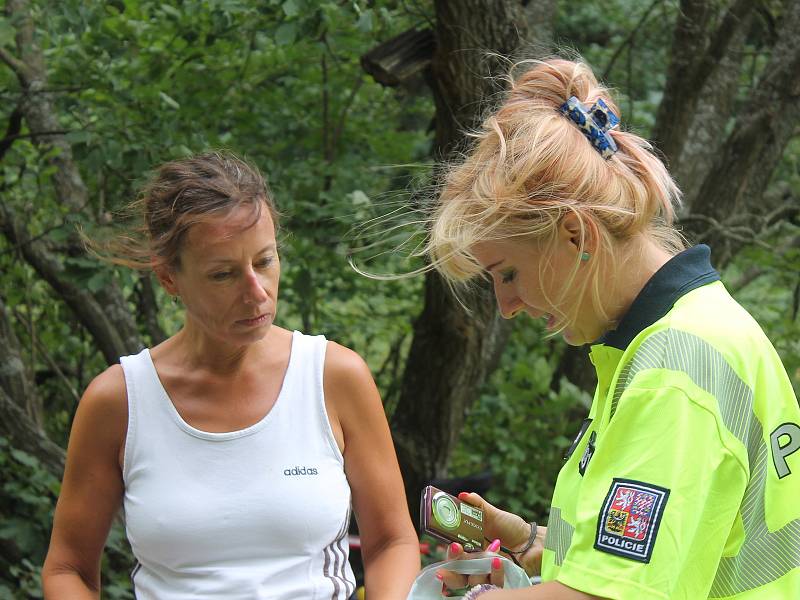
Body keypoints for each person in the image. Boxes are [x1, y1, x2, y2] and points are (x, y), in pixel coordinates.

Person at [422, 58, 800, 599]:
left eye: (507, 272)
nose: (506, 306)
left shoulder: (673, 373)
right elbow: (673, 547)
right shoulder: (679, 337)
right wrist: (539, 543)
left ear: (575, 234)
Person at [41, 151, 420, 599]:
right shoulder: (119, 401)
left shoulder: (333, 378)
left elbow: (392, 542)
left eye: (264, 262)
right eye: (223, 274)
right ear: (169, 279)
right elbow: (68, 568)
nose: (256, 293)